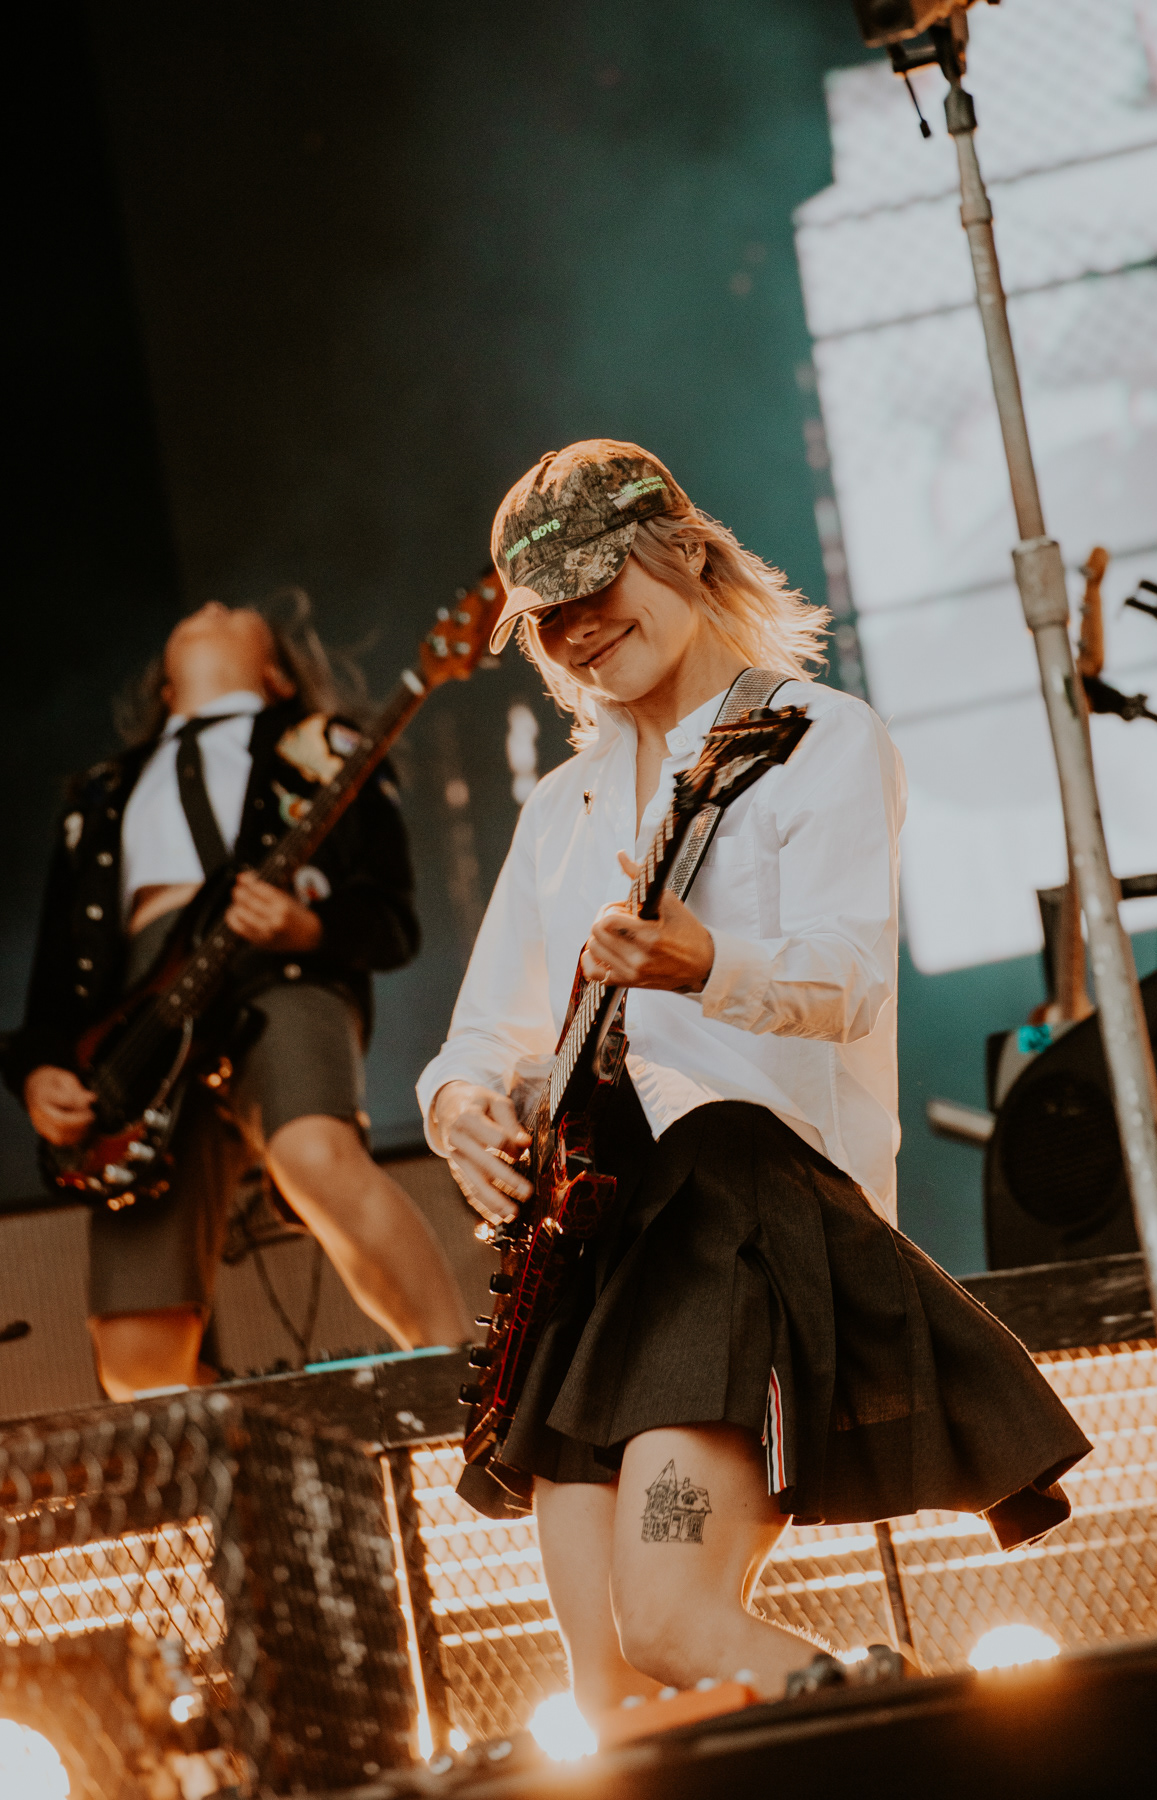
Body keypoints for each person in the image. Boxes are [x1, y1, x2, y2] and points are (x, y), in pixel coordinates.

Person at [417, 442, 1091, 1718]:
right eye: (544, 613)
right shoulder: (557, 810)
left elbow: (849, 980)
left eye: (591, 584)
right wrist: (459, 1110)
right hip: (593, 1248)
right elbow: (477, 1041)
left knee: (673, 1620)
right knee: (608, 1699)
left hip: (745, 1214)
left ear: (682, 550)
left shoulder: (819, 740)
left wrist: (703, 960)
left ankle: (906, 1734)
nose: (572, 629)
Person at [6, 593, 472, 1399]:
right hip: (135, 1029)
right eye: (197, 613)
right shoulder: (96, 797)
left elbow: (393, 919)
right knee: (135, 1362)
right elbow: (55, 982)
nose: (214, 604)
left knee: (312, 1155)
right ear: (162, 692)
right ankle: (246, 1477)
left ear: (277, 673)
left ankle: (465, 1384)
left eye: (239, 615)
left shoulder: (327, 746)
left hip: (274, 972)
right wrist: (40, 1071)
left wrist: (307, 928)